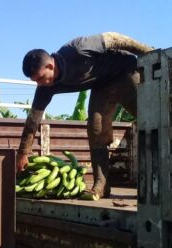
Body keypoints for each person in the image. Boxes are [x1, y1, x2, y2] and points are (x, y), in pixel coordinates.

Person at [16, 32, 153, 198]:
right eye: (35, 81)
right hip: (102, 85)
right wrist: (24, 152)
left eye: (40, 78)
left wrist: (149, 54)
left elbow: (114, 38)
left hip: (125, 73)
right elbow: (33, 119)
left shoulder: (77, 49)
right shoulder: (46, 87)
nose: (39, 84)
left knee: (150, 120)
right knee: (96, 130)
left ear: (50, 66)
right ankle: (101, 185)